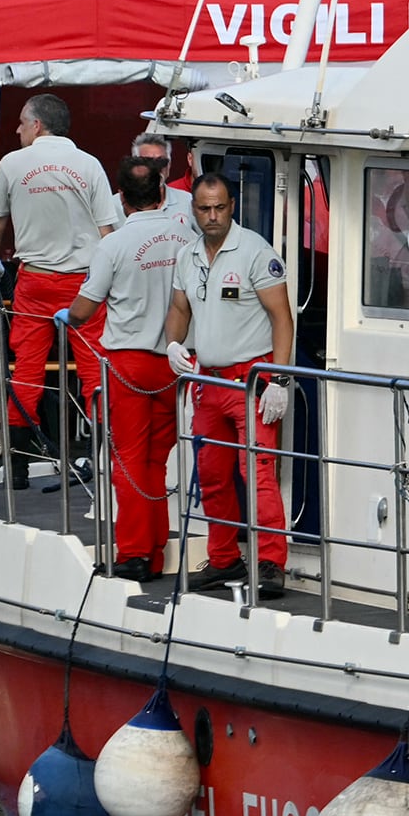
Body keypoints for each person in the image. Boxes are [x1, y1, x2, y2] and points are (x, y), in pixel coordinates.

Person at [165, 174, 294, 597]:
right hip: (208, 380)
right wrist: (172, 344)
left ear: (232, 205)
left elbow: (282, 318)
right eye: (205, 209)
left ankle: (271, 563)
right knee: (213, 474)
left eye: (220, 207)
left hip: (251, 378)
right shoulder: (188, 256)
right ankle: (223, 560)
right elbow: (180, 308)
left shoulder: (255, 252)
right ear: (194, 210)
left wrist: (277, 379)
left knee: (256, 473)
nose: (213, 216)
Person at [0, 95, 118, 485]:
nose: (17, 129)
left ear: (38, 125)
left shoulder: (12, 164)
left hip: (35, 281)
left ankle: (19, 467)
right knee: (95, 371)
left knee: (26, 371)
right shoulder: (89, 164)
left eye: (22, 123)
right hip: (84, 283)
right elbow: (107, 233)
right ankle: (104, 460)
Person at [67, 159, 192, 580]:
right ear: (162, 191)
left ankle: (136, 553)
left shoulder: (115, 244)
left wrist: (67, 315)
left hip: (130, 363)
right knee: (157, 460)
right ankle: (155, 550)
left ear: (120, 198)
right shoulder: (186, 236)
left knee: (129, 461)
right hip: (176, 362)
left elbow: (85, 308)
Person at [133, 134, 195, 230]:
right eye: (147, 162)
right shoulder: (116, 205)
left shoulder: (188, 201)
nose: (155, 168)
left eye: (161, 162)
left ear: (169, 165)